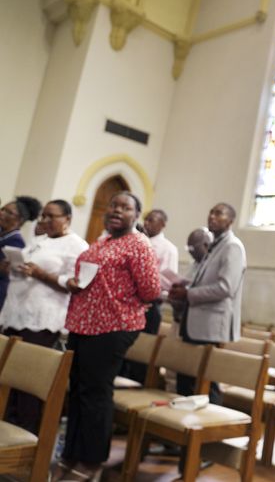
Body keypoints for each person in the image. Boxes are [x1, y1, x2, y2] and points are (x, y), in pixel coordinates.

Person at [55, 192, 160, 482]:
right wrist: (76, 284)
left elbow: (151, 290)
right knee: (77, 390)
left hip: (114, 326)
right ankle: (71, 453)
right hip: (83, 323)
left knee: (96, 394)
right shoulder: (103, 240)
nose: (117, 210)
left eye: (125, 208)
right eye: (113, 206)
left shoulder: (138, 244)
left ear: (136, 215)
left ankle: (92, 461)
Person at [0, 200, 88, 433]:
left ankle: (27, 439)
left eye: (52, 217)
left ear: (67, 218)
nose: (45, 221)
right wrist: (13, 268)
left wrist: (39, 274)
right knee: (8, 379)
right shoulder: (39, 240)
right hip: (16, 313)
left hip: (41, 320)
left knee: (27, 384)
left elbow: (74, 285)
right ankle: (6, 434)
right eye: (43, 217)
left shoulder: (77, 246)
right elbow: (24, 271)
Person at [168, 203, 246, 404]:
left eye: (218, 214)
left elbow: (226, 287)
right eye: (211, 212)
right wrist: (183, 285)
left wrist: (188, 294)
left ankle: (208, 430)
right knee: (185, 377)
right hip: (194, 319)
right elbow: (204, 280)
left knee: (205, 382)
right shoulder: (215, 246)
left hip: (210, 324)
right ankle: (182, 426)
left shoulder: (233, 247)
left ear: (230, 221)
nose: (212, 217)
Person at [0, 196, 42, 310]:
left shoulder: (16, 241)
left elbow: (7, 270)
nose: (2, 213)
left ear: (20, 220)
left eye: (9, 212)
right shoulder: (3, 235)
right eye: (2, 209)